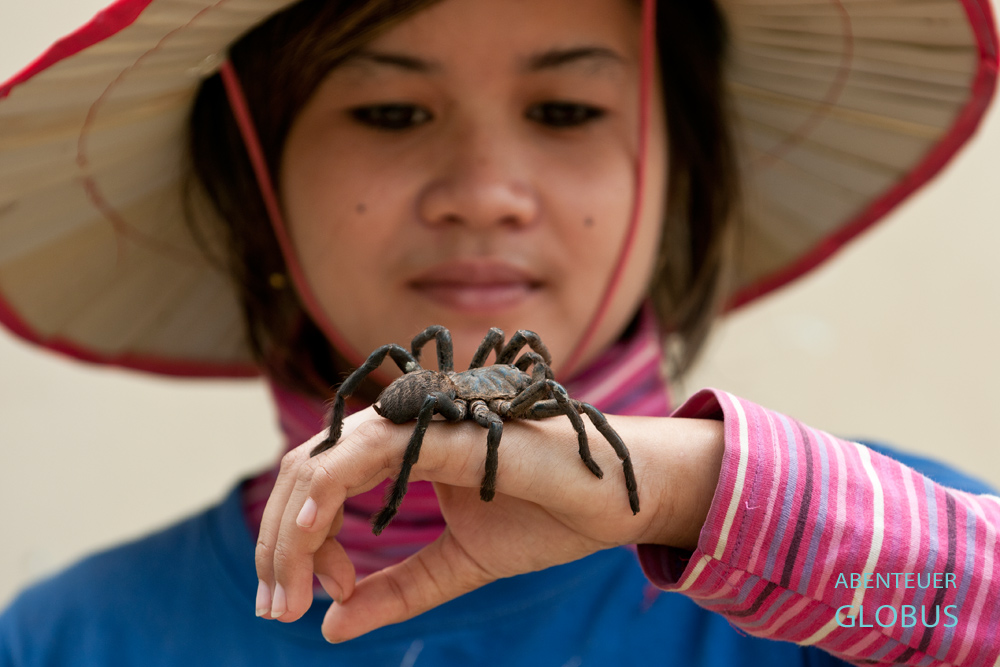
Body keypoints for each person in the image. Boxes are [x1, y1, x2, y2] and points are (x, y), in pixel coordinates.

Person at [0, 0, 998, 664]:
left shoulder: (899, 572)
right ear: (254, 186)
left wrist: (694, 490)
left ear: (679, 171)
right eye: (390, 112)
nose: (484, 193)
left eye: (564, 108)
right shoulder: (66, 639)